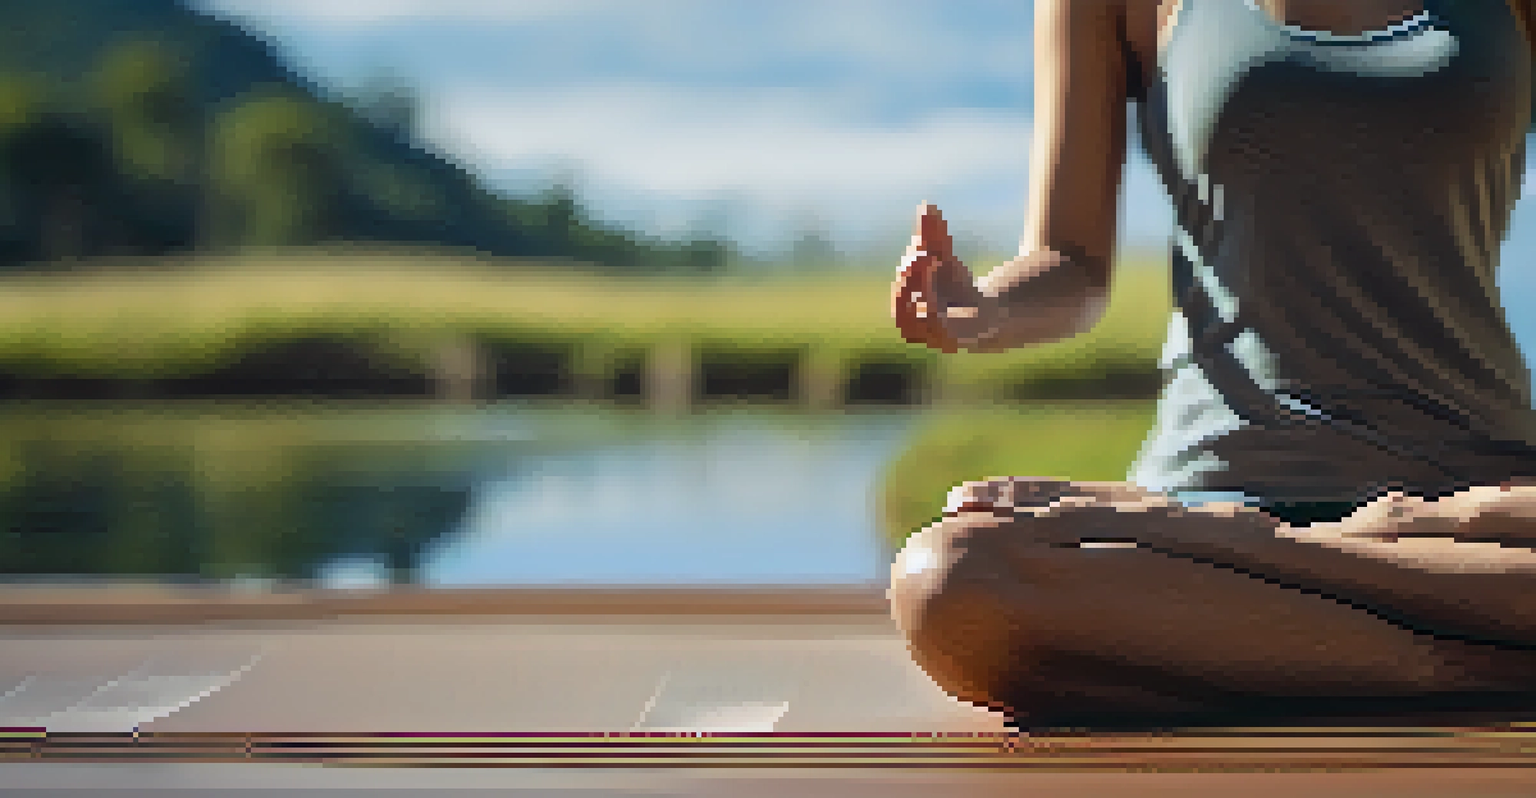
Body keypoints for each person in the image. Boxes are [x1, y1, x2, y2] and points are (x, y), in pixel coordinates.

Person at [889, 0, 1536, 730]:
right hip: (1220, 504)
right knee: (955, 583)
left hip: (1477, 507)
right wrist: (984, 310)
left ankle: (1276, 612)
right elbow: (1068, 261)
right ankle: (1486, 660)